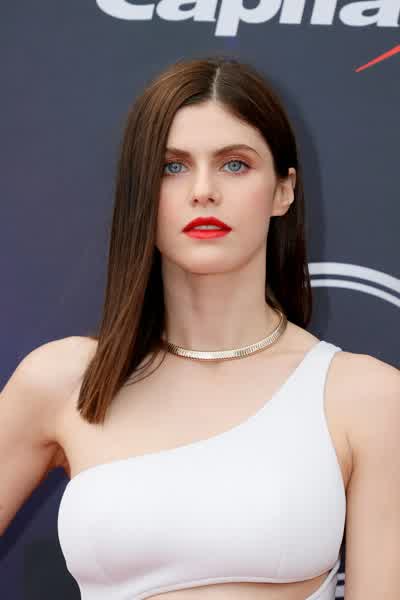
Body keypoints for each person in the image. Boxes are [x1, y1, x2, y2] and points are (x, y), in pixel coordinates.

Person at [1, 55, 399, 600]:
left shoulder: (366, 397)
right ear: (140, 192)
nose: (203, 191)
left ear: (283, 190)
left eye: (235, 164)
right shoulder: (63, 380)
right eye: (172, 167)